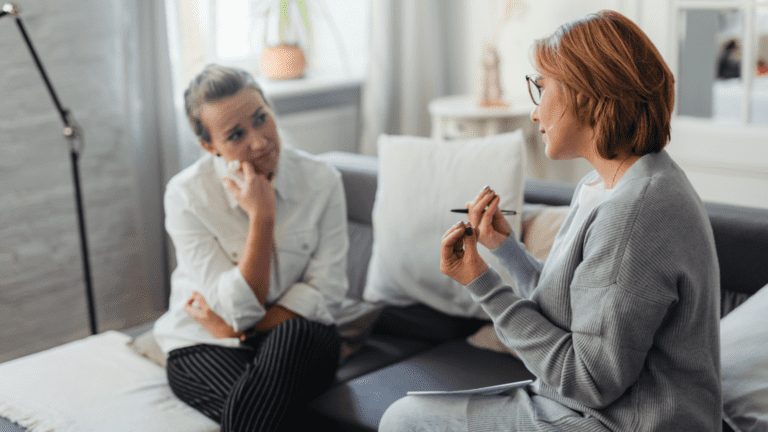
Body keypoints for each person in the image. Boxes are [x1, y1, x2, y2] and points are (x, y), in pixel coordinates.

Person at [379, 10, 721, 432]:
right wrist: (507, 251)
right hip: (591, 411)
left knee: (403, 420)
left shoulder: (633, 214)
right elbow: (576, 313)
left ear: (587, 92)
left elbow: (588, 381)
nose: (534, 112)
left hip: (618, 422)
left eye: (541, 88)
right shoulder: (610, 184)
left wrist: (481, 282)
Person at [153, 64, 349, 431]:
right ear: (209, 146)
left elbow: (329, 292)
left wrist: (236, 330)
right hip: (204, 342)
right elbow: (236, 309)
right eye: (236, 134)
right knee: (271, 415)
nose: (259, 141)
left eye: (261, 118)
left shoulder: (322, 181)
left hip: (300, 337)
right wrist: (262, 219)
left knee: (295, 335)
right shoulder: (186, 196)